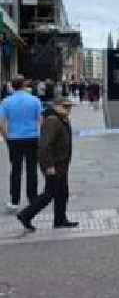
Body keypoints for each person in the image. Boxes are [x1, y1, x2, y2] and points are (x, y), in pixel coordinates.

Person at [16, 96, 78, 232]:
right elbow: (44, 146)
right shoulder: (52, 121)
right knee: (49, 193)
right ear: (56, 106)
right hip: (54, 164)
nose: (68, 110)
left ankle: (60, 219)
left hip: (61, 164)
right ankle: (26, 215)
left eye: (69, 107)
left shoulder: (61, 120)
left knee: (62, 192)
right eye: (65, 107)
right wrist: (49, 166)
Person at [0, 76, 42, 212]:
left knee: (16, 170)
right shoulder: (35, 100)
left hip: (14, 139)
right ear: (24, 85)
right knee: (32, 170)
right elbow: (41, 120)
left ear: (12, 86)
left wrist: (7, 138)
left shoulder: (6, 102)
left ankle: (15, 200)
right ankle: (33, 199)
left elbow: (1, 123)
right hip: (32, 138)